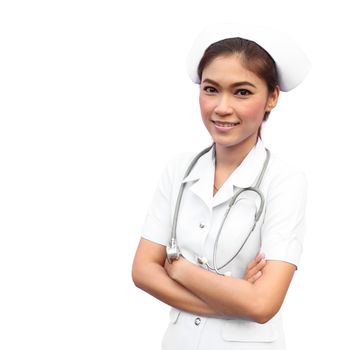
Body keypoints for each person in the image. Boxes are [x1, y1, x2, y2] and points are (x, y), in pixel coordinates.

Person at [132, 23, 310, 350]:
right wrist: (233, 297)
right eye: (211, 89)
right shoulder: (179, 170)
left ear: (272, 97)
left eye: (242, 92)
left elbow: (262, 305)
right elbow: (142, 271)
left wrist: (180, 270)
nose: (222, 107)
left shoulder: (285, 181)